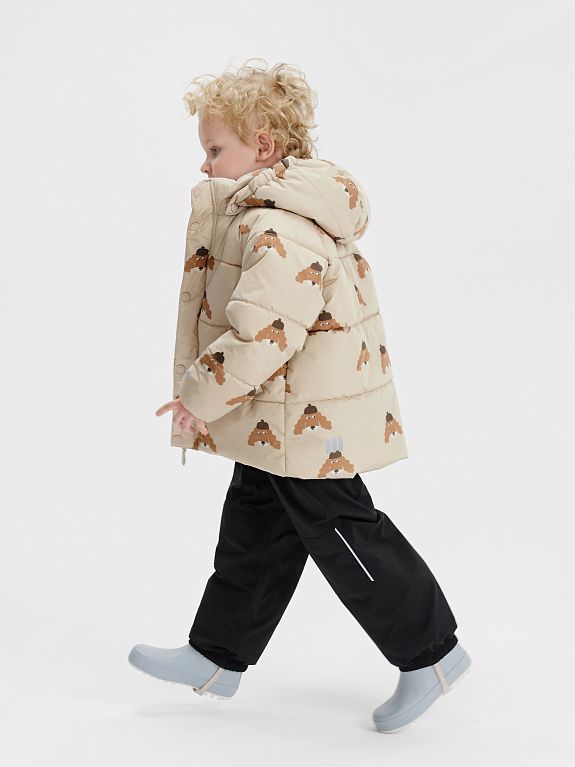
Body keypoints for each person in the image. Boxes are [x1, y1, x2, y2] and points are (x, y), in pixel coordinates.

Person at [128, 58, 472, 733]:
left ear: (262, 146)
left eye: (214, 150)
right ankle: (217, 656)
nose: (204, 164)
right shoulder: (272, 213)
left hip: (306, 421)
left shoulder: (277, 226)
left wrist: (201, 395)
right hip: (280, 415)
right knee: (255, 524)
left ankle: (431, 654)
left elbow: (263, 334)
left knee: (342, 531)